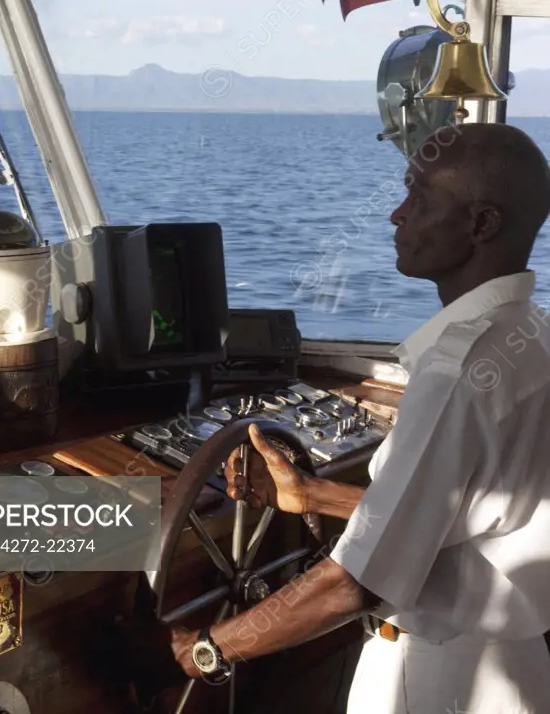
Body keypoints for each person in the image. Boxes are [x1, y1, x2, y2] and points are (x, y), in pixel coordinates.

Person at [170, 122, 550, 713]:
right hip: (516, 670)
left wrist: (210, 647)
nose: (397, 215)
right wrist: (316, 496)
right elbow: (480, 516)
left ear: (482, 225)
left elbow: (353, 583)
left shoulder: (455, 375)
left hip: (440, 680)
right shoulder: (532, 335)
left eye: (420, 198)